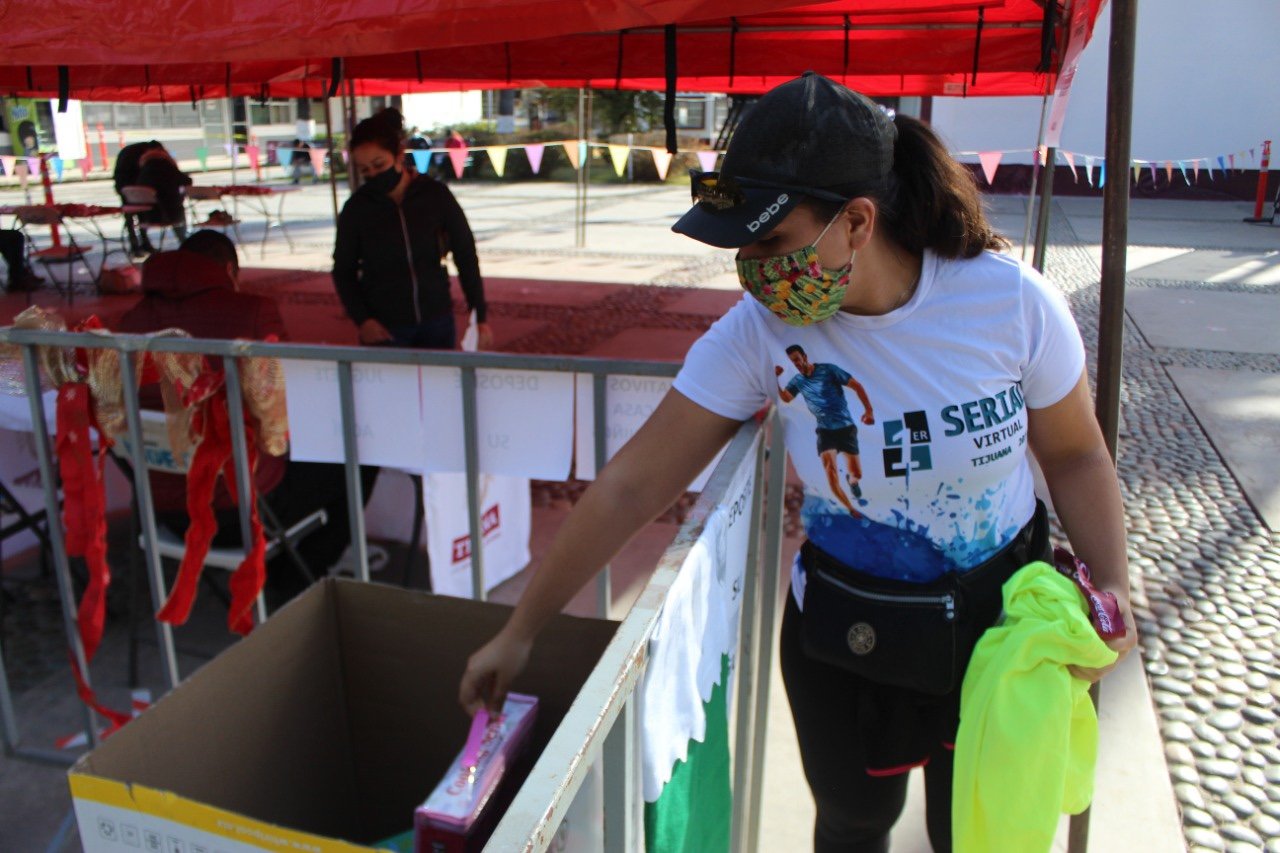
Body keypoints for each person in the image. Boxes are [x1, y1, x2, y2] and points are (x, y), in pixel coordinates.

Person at [458, 73, 1137, 851]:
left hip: (996, 639)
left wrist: (1112, 586)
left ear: (856, 220)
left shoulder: (1008, 304)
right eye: (741, 247)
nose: (753, 270)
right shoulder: (758, 334)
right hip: (845, 640)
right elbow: (632, 483)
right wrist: (521, 629)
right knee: (851, 827)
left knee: (981, 834)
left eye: (771, 243)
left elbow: (1077, 453)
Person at [117, 230, 376, 598]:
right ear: (227, 270)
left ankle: (280, 581)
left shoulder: (131, 321)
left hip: (165, 511)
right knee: (361, 460)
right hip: (243, 510)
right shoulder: (251, 312)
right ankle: (289, 589)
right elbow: (279, 409)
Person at [332, 109, 491, 350]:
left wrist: (479, 316)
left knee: (440, 386)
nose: (373, 174)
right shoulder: (356, 209)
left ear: (398, 154)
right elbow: (343, 270)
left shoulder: (435, 195)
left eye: (379, 164)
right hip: (385, 326)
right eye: (364, 170)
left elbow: (465, 253)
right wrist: (362, 320)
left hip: (436, 319)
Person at [776, 343, 873, 516]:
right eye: (793, 362)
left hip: (845, 427)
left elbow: (856, 385)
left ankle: (852, 482)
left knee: (856, 473)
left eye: (798, 359)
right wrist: (774, 378)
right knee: (830, 470)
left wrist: (868, 410)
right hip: (825, 431)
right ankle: (850, 508)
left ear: (805, 357)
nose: (796, 364)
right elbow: (786, 397)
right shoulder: (798, 381)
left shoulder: (828, 370)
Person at [135, 146, 193, 251]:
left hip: (148, 216)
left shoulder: (143, 171)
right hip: (167, 214)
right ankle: (183, 240)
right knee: (178, 207)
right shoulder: (166, 166)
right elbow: (187, 181)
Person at [113, 139, 163, 256]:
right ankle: (143, 244)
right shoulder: (144, 153)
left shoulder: (132, 150)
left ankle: (135, 245)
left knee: (130, 217)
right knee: (141, 215)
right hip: (134, 187)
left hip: (123, 187)